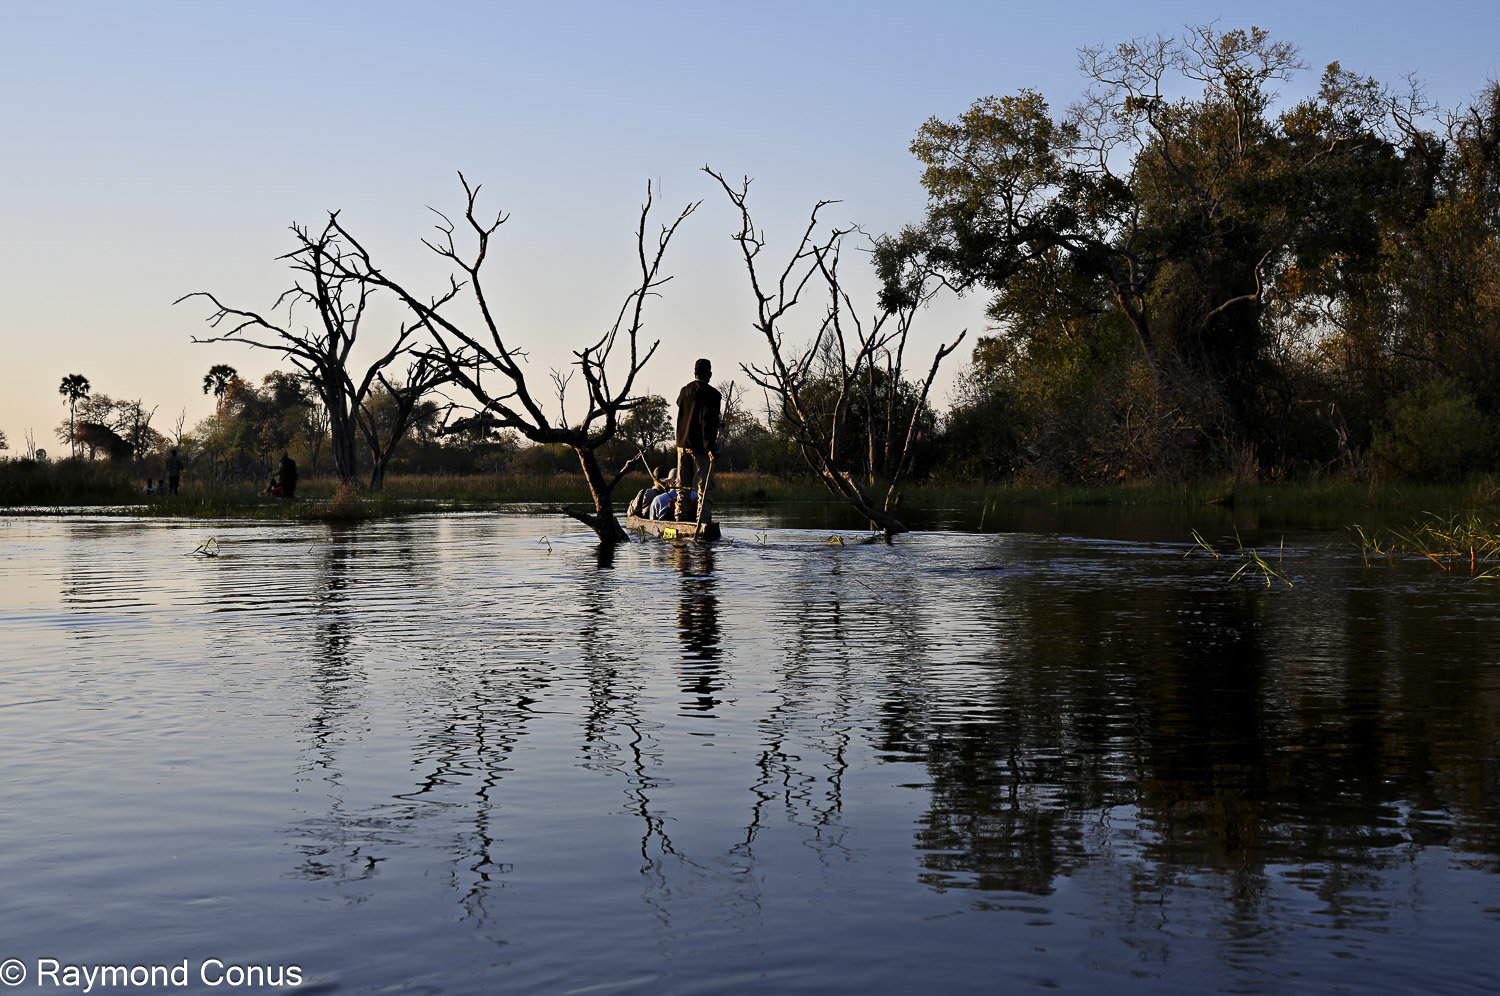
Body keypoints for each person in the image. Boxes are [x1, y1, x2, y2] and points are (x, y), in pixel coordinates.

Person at [675, 358, 721, 522]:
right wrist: (711, 448)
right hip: (701, 448)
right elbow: (707, 422)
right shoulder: (713, 395)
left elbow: (681, 404)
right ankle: (703, 521)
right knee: (705, 487)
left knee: (683, 488)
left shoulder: (684, 391)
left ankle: (680, 520)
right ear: (709, 374)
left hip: (682, 445)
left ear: (695, 373)